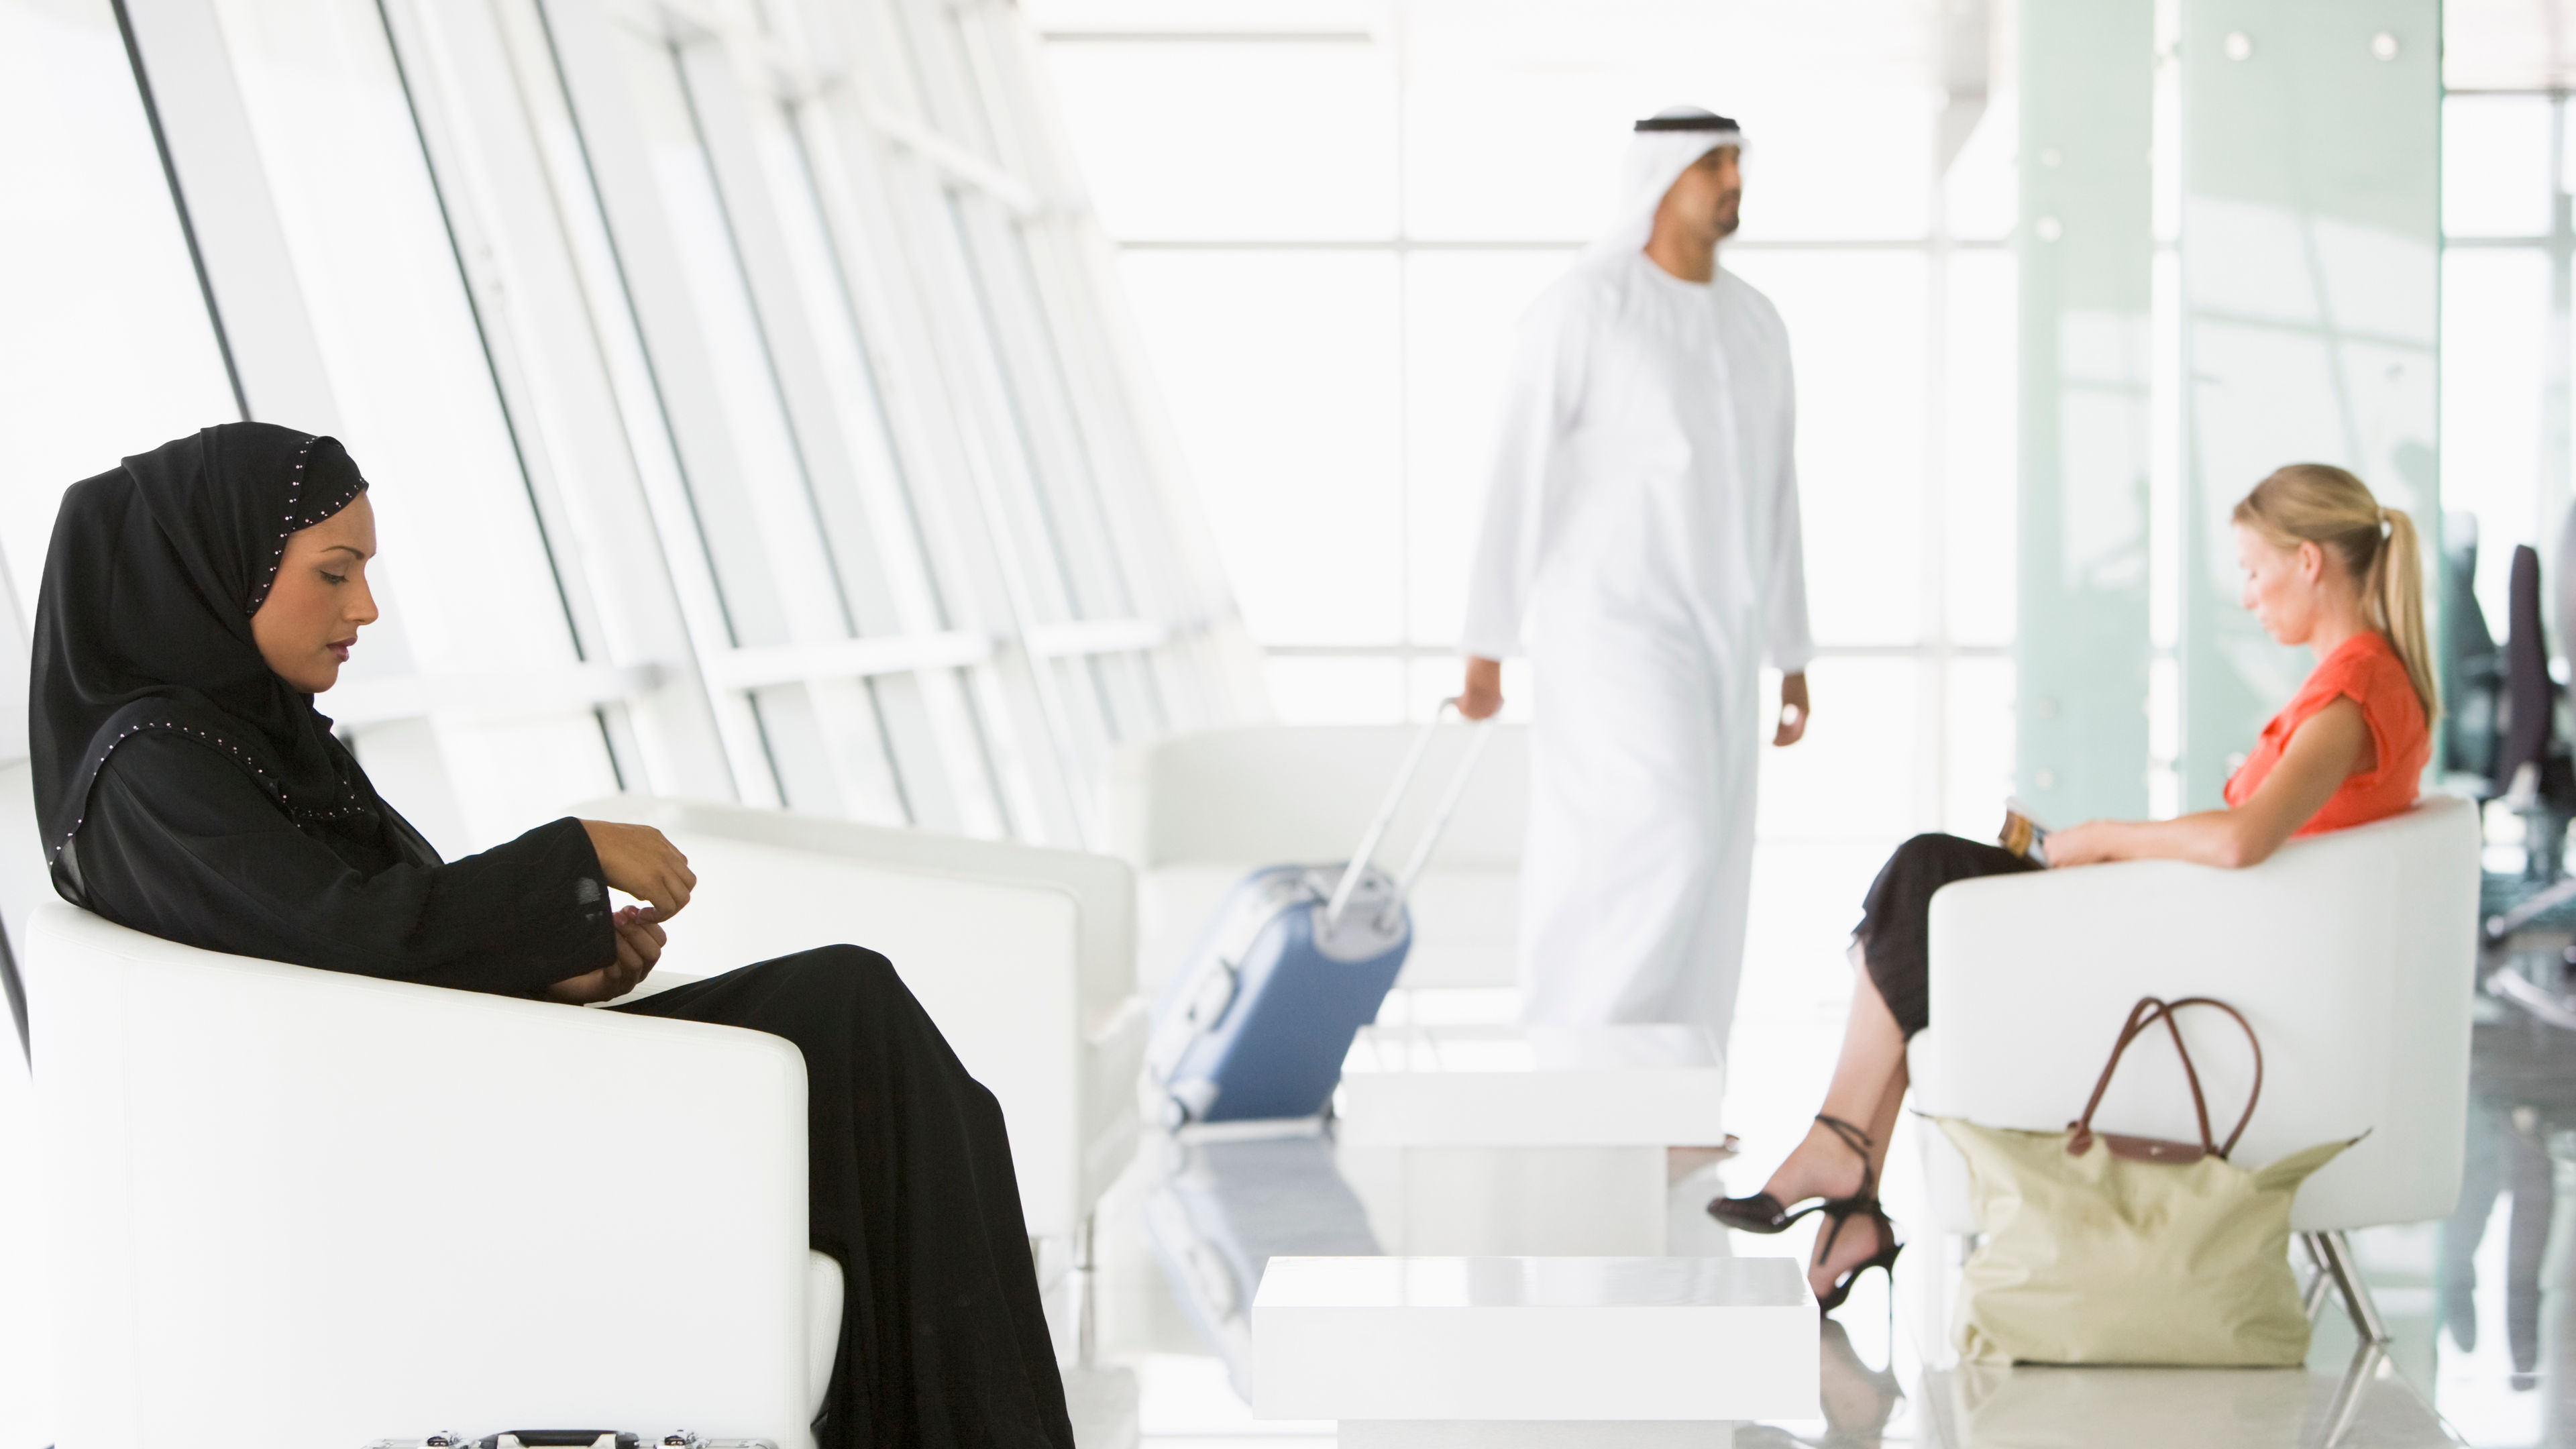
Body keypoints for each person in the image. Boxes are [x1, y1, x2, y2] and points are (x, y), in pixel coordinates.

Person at [31, 423, 1075, 1449]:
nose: (366, 608)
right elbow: (348, 935)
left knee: (864, 1037)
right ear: (217, 570)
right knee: (850, 1018)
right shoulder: (154, 771)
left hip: (460, 1103)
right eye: (335, 573)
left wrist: (553, 974)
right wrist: (572, 854)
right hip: (428, 1158)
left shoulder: (240, 738)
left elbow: (346, 962)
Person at [1709, 464, 2436, 1313]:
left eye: (2251, 569)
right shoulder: (2356, 684)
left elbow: (2245, 841)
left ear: (2308, 561)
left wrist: (2106, 841)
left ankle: (1841, 1160)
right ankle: (1847, 1177)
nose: (2245, 595)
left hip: (2193, 970)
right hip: (2193, 940)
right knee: (1925, 886)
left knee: (1925, 873)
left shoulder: (2355, 691)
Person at [1457, 106, 1811, 1050]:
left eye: (1738, 162)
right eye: (1713, 165)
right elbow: (1515, 476)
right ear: (1659, 178)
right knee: (1660, 833)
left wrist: (1793, 653)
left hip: (1725, 637)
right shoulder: (1583, 307)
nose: (1733, 181)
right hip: (1611, 626)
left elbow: (1779, 493)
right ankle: (1582, 1071)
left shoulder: (1755, 322)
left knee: (1718, 862)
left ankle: (1674, 1097)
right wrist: (1485, 646)